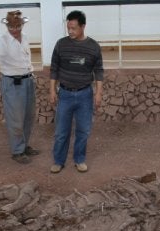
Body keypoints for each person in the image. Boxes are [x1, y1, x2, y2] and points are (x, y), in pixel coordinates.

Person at [49, 10, 104, 174]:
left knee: (83, 131)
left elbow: (99, 71)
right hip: (64, 94)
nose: (70, 31)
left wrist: (99, 93)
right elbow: (54, 68)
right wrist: (52, 90)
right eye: (68, 28)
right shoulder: (61, 44)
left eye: (73, 28)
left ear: (83, 26)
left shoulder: (93, 47)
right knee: (61, 132)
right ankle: (59, 161)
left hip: (85, 95)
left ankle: (79, 159)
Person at [0, 10, 39, 164]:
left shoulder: (25, 38)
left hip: (28, 79)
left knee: (28, 116)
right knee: (15, 118)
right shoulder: (1, 40)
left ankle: (24, 146)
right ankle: (17, 151)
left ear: (22, 25)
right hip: (12, 82)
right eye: (12, 27)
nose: (15, 30)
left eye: (18, 26)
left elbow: (26, 57)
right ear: (7, 26)